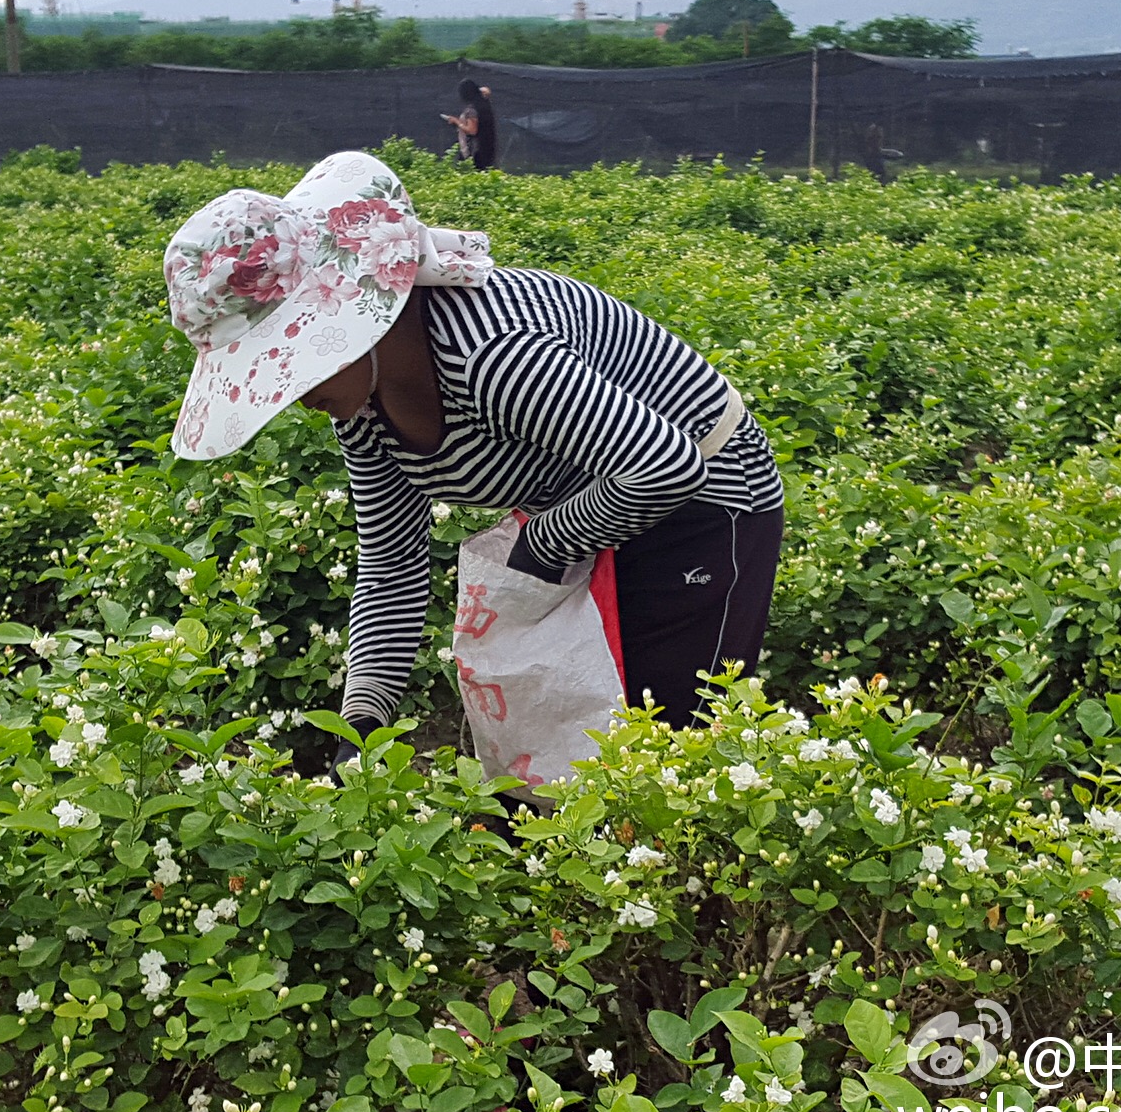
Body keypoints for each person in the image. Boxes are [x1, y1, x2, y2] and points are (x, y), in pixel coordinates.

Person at [163, 151, 784, 757]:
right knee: (588, 730)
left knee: (666, 735)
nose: (292, 397)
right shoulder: (359, 405)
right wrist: (360, 722)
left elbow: (664, 468)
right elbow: (391, 560)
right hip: (597, 503)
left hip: (707, 505)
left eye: (291, 367)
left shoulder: (489, 354)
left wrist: (543, 544)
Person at [440, 78, 497, 170]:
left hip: (473, 150)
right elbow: (485, 91)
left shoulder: (472, 110)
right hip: (485, 147)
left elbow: (472, 130)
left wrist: (456, 121)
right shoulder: (484, 106)